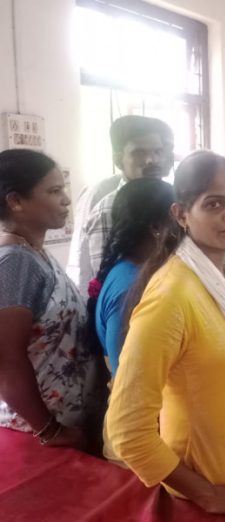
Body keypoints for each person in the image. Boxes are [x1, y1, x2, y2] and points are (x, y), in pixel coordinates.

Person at [106, 151, 225, 521]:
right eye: (214, 204)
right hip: (207, 478)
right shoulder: (170, 296)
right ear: (181, 214)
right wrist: (205, 493)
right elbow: (127, 428)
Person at [0, 149, 106, 452]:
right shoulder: (16, 264)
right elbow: (7, 362)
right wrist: (51, 431)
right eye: (54, 191)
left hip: (68, 419)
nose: (66, 200)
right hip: (40, 432)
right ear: (16, 201)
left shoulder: (35, 253)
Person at [67, 115, 174, 295]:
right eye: (139, 153)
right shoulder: (109, 208)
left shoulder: (171, 200)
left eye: (157, 151)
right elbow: (106, 279)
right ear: (118, 159)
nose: (152, 160)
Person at [89, 178, 175, 376]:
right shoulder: (130, 286)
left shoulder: (136, 271)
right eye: (178, 218)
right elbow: (128, 375)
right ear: (156, 228)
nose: (186, 227)